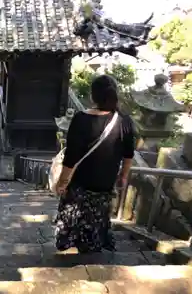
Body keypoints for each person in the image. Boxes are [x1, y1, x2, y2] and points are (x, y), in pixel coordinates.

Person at [54, 74, 136, 253]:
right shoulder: (124, 121)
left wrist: (62, 182)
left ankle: (71, 242)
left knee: (75, 213)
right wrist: (123, 176)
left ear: (93, 96)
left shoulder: (81, 119)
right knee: (97, 215)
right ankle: (93, 245)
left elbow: (71, 157)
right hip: (105, 182)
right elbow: (128, 154)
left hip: (80, 181)